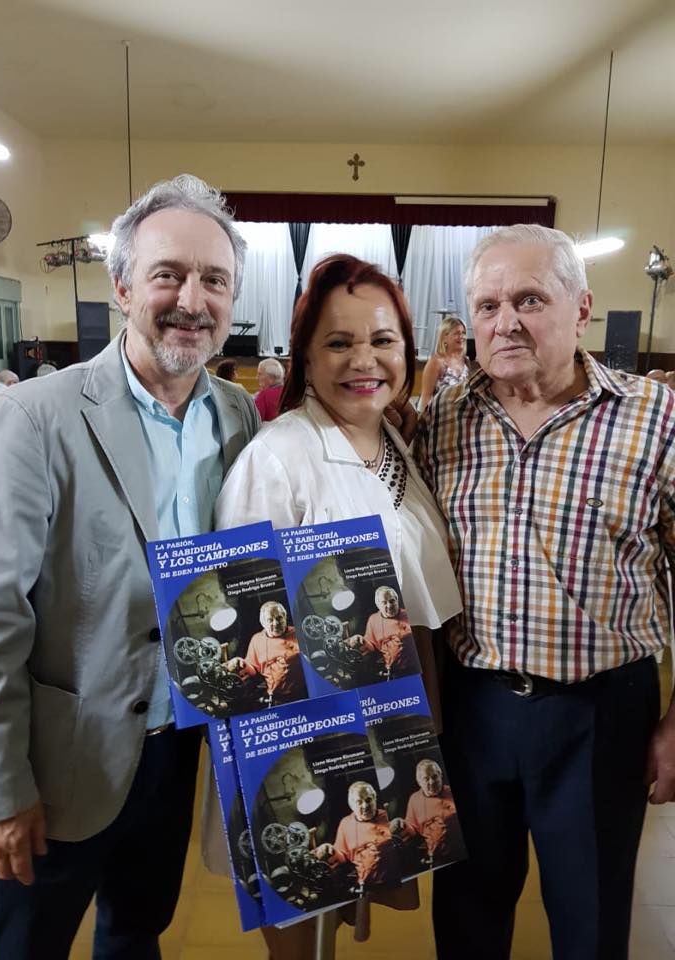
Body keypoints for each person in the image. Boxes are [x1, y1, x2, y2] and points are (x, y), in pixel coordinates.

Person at [0, 173, 259, 960]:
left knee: (134, 935)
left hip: (173, 750)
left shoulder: (238, 416)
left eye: (215, 280)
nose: (192, 299)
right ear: (122, 287)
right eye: (168, 274)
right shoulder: (33, 417)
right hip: (57, 764)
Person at [415, 223, 675, 960]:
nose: (505, 322)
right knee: (466, 922)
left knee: (590, 926)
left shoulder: (654, 419)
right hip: (470, 713)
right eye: (488, 305)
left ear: (581, 307)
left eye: (529, 299)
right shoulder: (444, 420)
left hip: (601, 718)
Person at [215, 253, 461, 957]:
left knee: (355, 876)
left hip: (398, 703)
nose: (364, 360)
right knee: (302, 891)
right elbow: (246, 610)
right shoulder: (279, 456)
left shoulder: (396, 441)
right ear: (304, 355)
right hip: (301, 723)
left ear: (407, 350)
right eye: (339, 342)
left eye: (382, 340)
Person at [314, 781, 400, 889]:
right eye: (359, 802)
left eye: (368, 800)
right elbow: (342, 855)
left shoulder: (386, 816)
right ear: (352, 806)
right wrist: (328, 849)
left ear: (375, 799)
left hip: (395, 881)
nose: (365, 805)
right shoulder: (346, 824)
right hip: (367, 887)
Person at [225, 600, 306, 704]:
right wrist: (240, 662)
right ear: (263, 623)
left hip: (304, 693)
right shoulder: (257, 640)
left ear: (285, 617)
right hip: (278, 699)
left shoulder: (299, 633)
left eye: (279, 618)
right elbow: (253, 669)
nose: (276, 623)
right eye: (270, 620)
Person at [392, 759, 459, 861]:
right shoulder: (415, 799)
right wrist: (400, 823)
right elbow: (413, 830)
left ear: (440, 775)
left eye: (434, 776)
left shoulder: (450, 792)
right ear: (419, 782)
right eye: (426, 779)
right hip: (437, 856)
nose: (432, 782)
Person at [354, 585, 418, 678]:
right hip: (393, 672)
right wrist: (361, 640)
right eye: (384, 602)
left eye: (392, 601)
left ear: (397, 600)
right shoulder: (373, 620)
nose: (389, 605)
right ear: (378, 605)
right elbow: (371, 645)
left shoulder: (409, 614)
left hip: (414, 668)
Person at [417, 315, 469, 411]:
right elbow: (425, 397)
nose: (462, 337)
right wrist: (423, 419)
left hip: (460, 415)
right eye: (457, 333)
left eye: (463, 333)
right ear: (444, 337)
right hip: (438, 415)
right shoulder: (436, 362)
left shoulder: (465, 361)